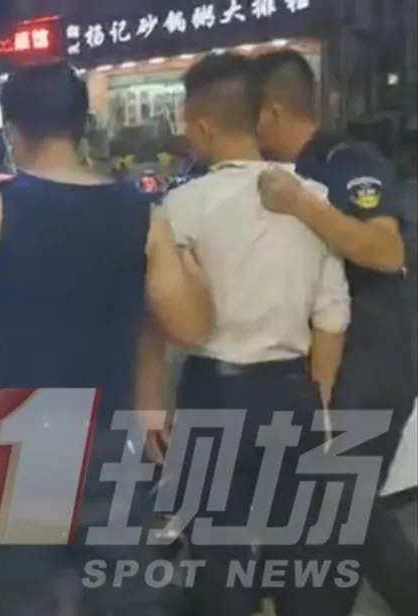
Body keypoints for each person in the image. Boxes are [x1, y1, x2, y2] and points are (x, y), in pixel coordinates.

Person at [0, 61, 212, 616]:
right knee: (124, 601)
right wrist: (191, 264)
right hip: (108, 444)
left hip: (10, 448)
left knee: (22, 601)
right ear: (83, 126)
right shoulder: (142, 218)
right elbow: (190, 329)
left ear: (12, 131)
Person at [163, 52, 353, 616]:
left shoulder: (182, 205)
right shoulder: (310, 198)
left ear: (201, 126)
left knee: (217, 555)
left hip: (214, 392)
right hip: (293, 392)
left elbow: (166, 316)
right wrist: (318, 399)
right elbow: (333, 313)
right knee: (298, 554)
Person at [254, 49, 418, 616]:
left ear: (272, 111)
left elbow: (385, 250)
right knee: (336, 514)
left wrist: (302, 205)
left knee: (344, 505)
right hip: (323, 364)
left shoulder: (346, 162)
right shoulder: (282, 173)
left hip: (368, 364)